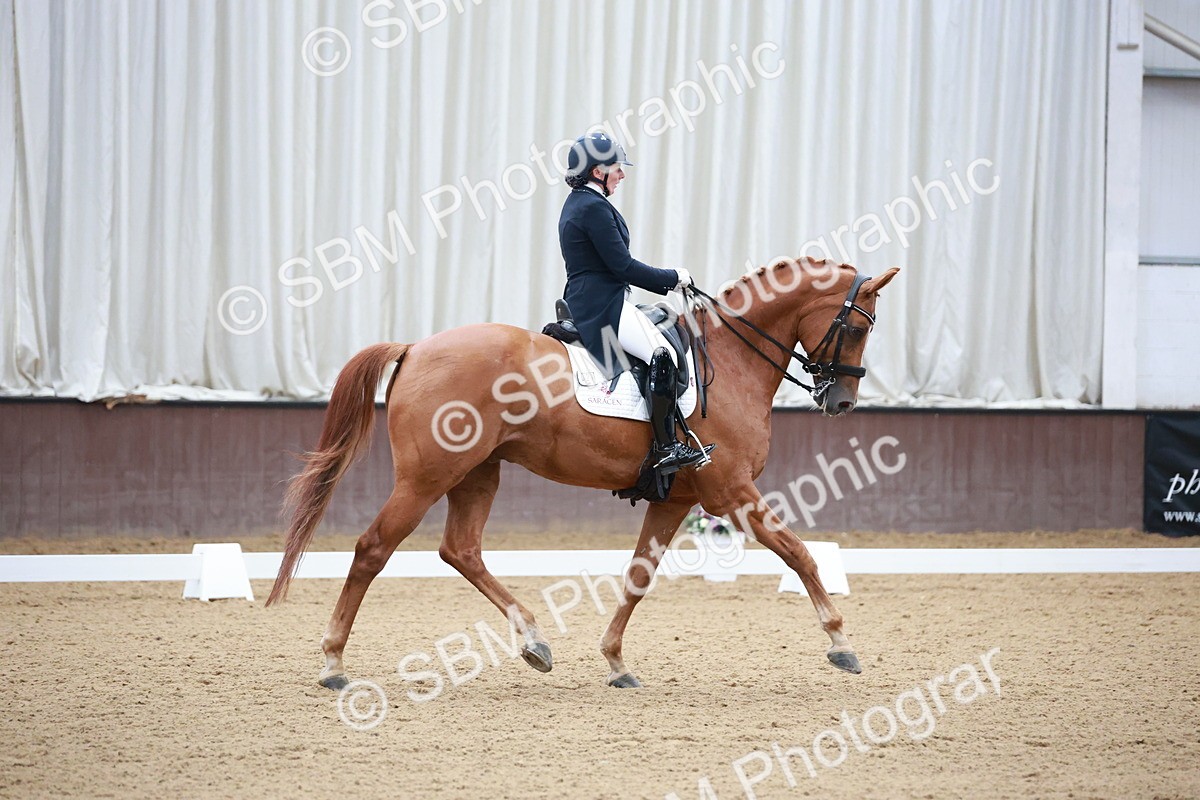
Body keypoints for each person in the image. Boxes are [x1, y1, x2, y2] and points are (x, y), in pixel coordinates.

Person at [558, 131, 713, 475]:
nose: (622, 174)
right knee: (665, 354)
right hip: (602, 306)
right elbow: (623, 267)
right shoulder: (593, 208)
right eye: (616, 168)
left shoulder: (581, 204)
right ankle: (666, 447)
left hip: (592, 299)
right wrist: (672, 278)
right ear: (598, 171)